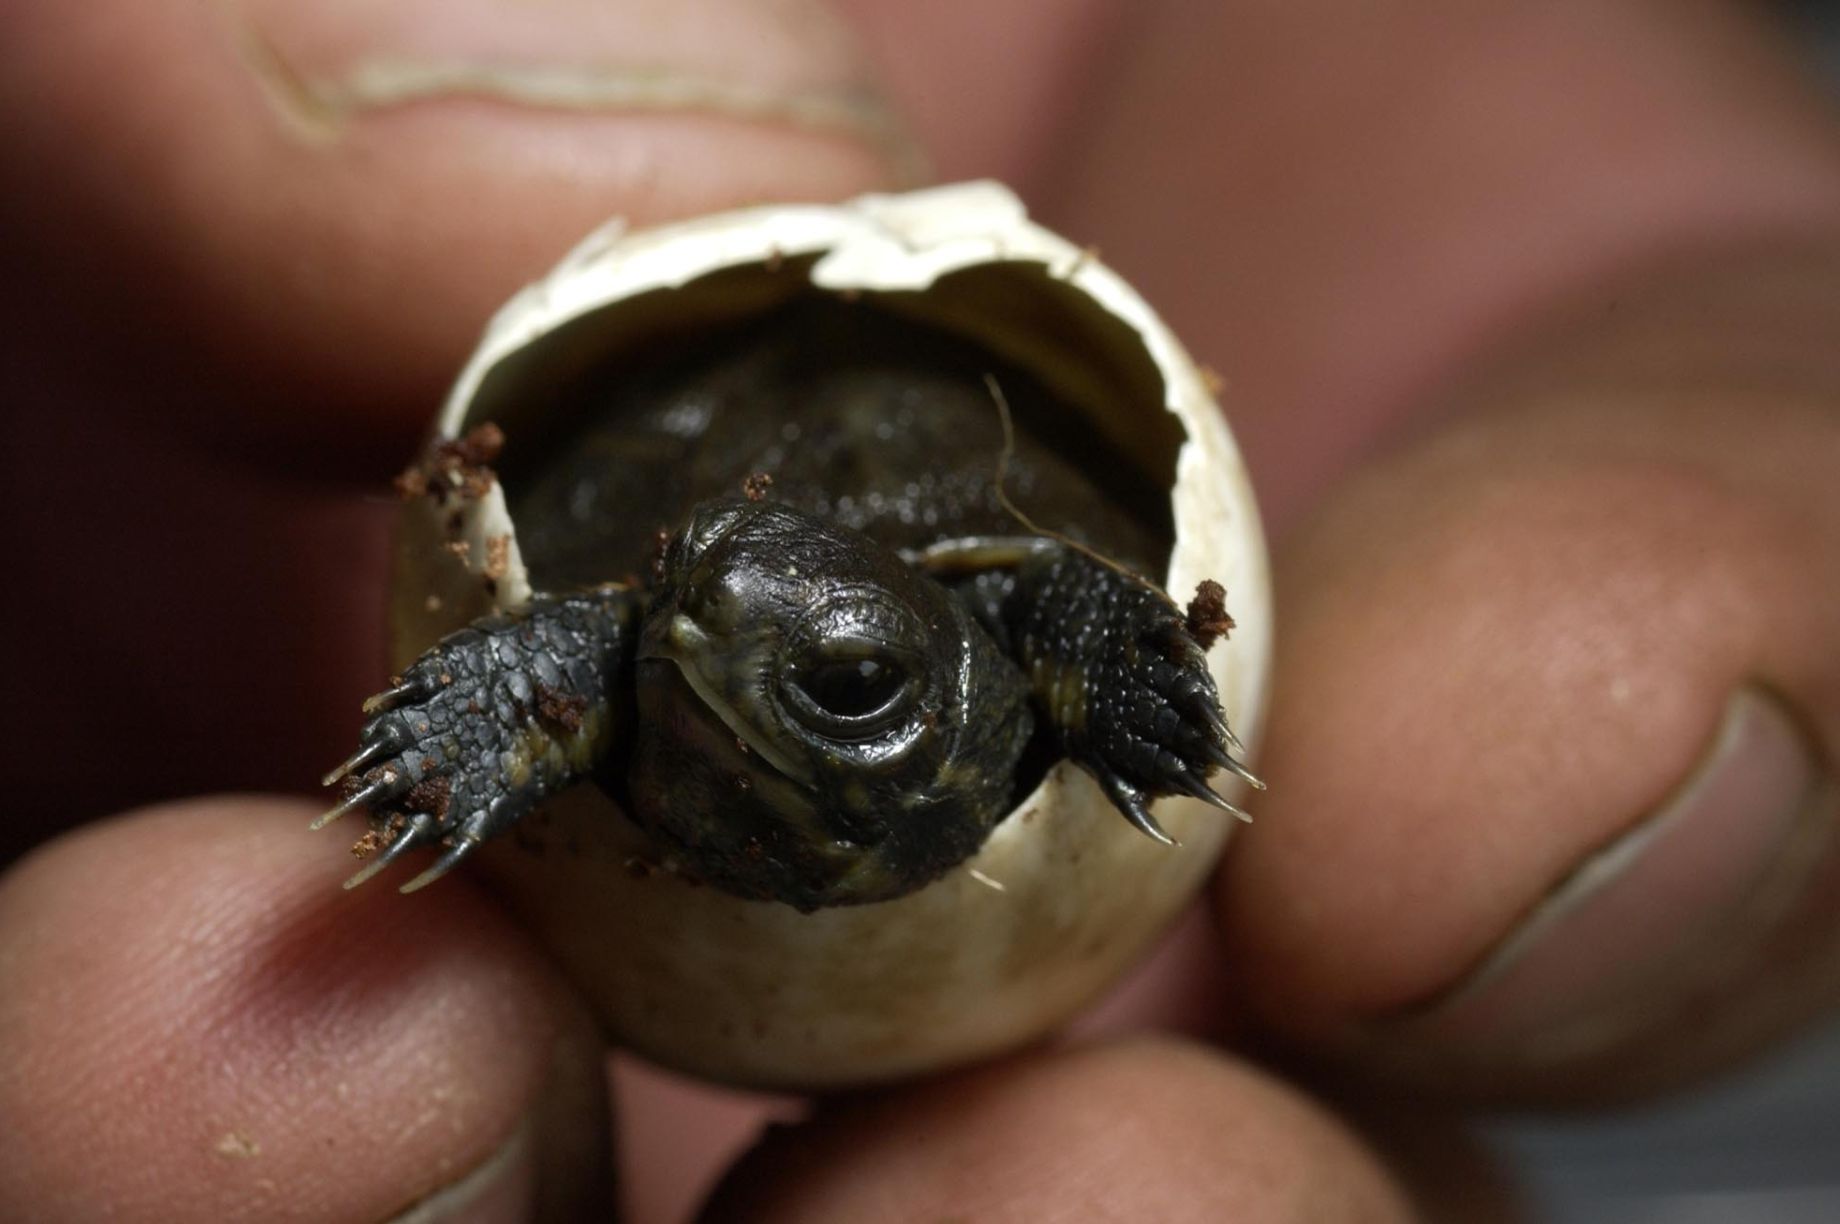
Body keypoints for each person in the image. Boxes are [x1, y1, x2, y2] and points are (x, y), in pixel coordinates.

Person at [3, 1, 1837, 1219]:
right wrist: (492, 718)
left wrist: (1137, 679)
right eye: (681, 635)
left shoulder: (1027, 625)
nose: (706, 647)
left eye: (853, 677)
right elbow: (613, 631)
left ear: (945, 683)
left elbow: (1072, 600)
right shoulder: (668, 636)